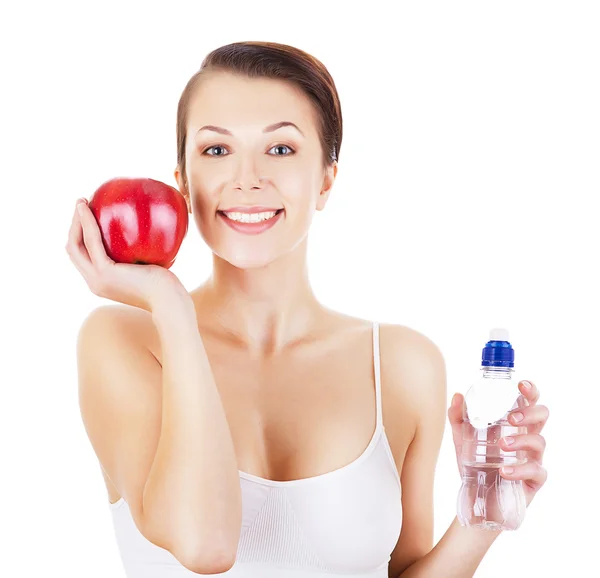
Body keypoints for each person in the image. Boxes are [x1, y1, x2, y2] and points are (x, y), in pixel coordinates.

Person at [65, 41, 549, 578]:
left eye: (280, 150)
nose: (247, 179)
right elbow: (205, 546)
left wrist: (485, 511)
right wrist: (171, 306)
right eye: (217, 151)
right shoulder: (125, 342)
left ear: (325, 179)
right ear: (182, 182)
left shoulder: (402, 366)